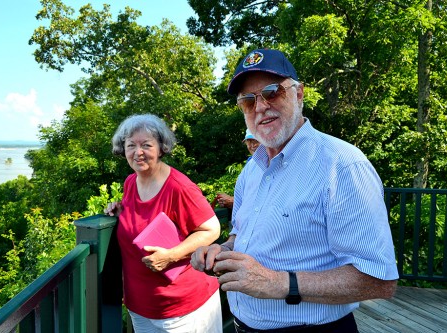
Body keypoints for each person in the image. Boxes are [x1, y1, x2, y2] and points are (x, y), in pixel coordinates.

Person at [191, 49, 399, 332]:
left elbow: (379, 280)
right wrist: (222, 250)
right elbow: (240, 233)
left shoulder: (342, 164)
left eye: (272, 92)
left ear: (299, 94)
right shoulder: (251, 171)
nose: (260, 106)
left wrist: (278, 283)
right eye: (248, 101)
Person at [104, 114, 222, 333]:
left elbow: (212, 228)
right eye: (131, 145)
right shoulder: (131, 182)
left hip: (183, 308)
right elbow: (140, 219)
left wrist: (171, 255)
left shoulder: (179, 187)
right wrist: (120, 211)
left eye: (146, 145)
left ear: (161, 148)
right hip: (141, 307)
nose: (138, 152)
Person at [216, 129, 260, 209]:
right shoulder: (250, 163)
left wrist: (233, 201)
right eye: (249, 142)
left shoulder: (271, 164)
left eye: (256, 141)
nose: (252, 145)